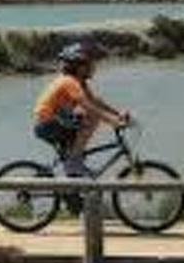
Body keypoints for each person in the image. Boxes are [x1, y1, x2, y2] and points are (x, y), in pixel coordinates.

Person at [33, 40, 130, 177]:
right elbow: (88, 106)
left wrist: (118, 114)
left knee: (77, 152)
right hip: (48, 124)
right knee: (91, 116)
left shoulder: (79, 83)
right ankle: (74, 163)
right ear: (79, 67)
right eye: (90, 64)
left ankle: (73, 184)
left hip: (57, 121)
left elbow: (95, 101)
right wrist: (112, 121)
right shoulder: (69, 81)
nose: (94, 68)